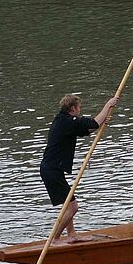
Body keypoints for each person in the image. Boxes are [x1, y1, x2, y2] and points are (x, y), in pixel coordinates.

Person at [40, 92, 119, 240]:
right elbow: (94, 123)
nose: (80, 110)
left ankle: (71, 234)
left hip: (52, 169)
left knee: (68, 205)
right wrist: (108, 105)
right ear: (73, 108)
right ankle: (55, 238)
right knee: (73, 207)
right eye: (79, 107)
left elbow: (87, 129)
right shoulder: (67, 121)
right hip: (51, 170)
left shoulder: (63, 120)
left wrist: (101, 122)